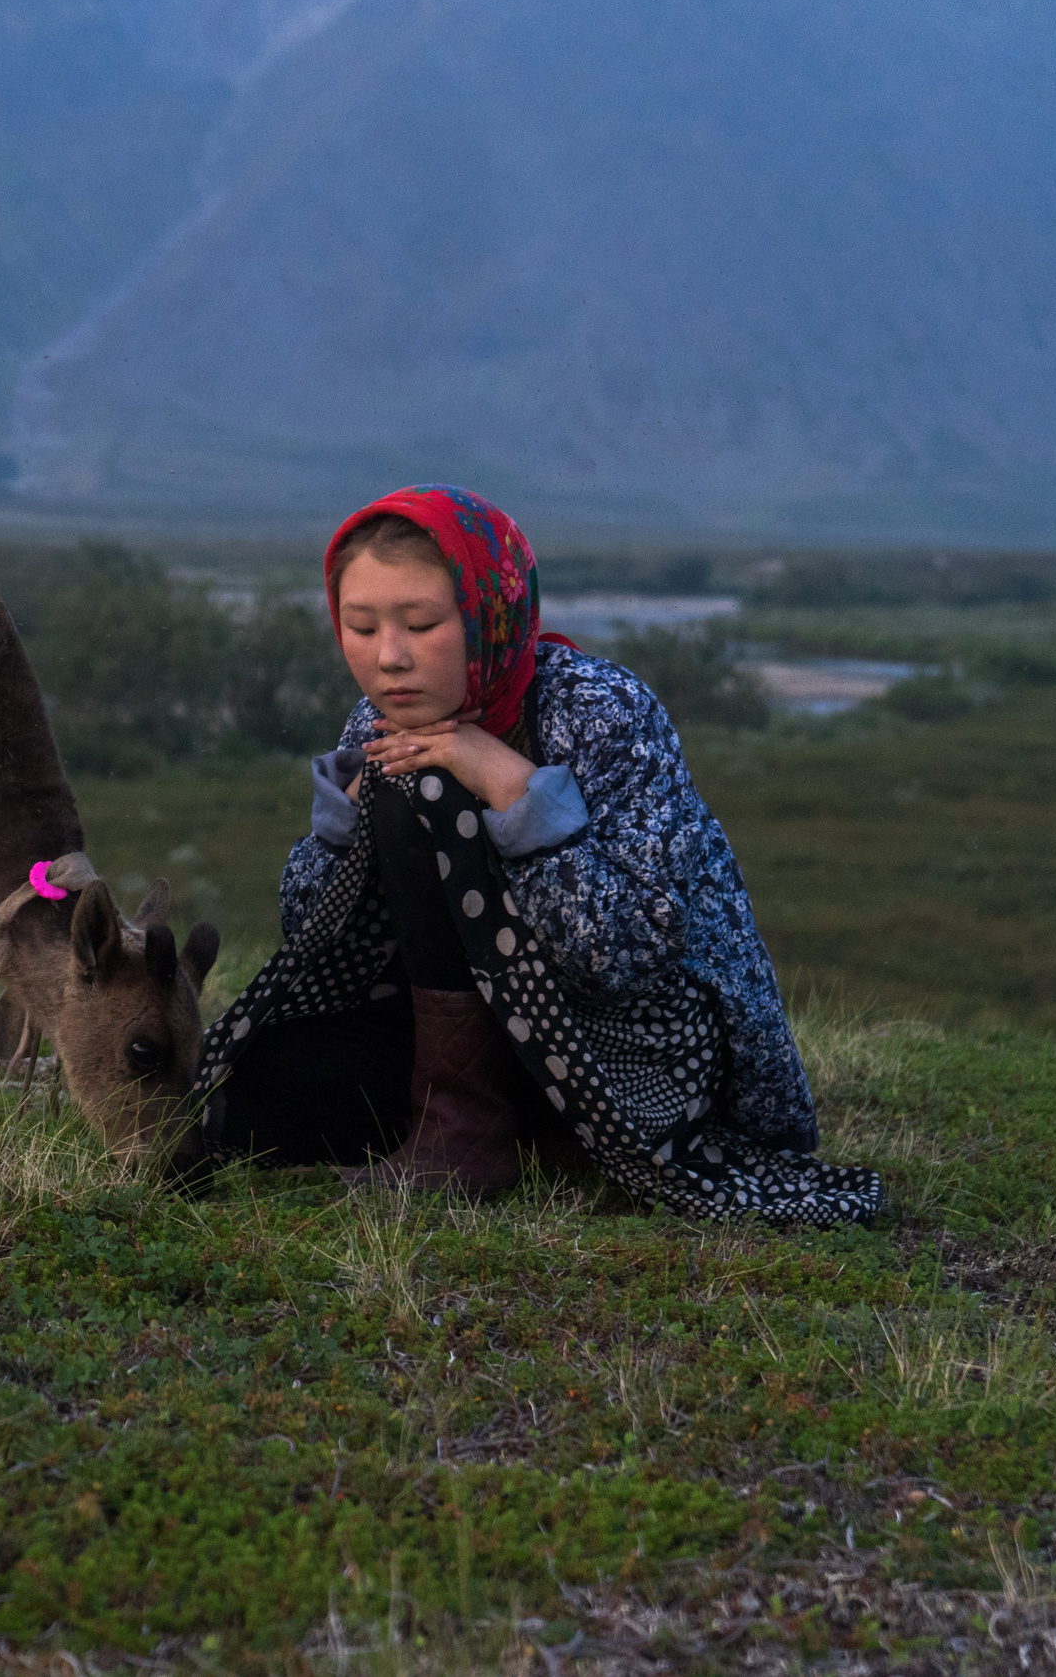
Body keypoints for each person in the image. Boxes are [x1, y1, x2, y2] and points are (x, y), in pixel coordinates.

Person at [193, 486, 882, 1226]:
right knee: (248, 1096)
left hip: (637, 1049)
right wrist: (346, 811)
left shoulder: (604, 711)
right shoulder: (378, 724)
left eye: (422, 624)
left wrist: (514, 789)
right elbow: (316, 940)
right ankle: (492, 1124)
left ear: (490, 614)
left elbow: (623, 956)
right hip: (476, 1031)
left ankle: (476, 1137)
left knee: (424, 789)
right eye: (361, 627)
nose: (389, 656)